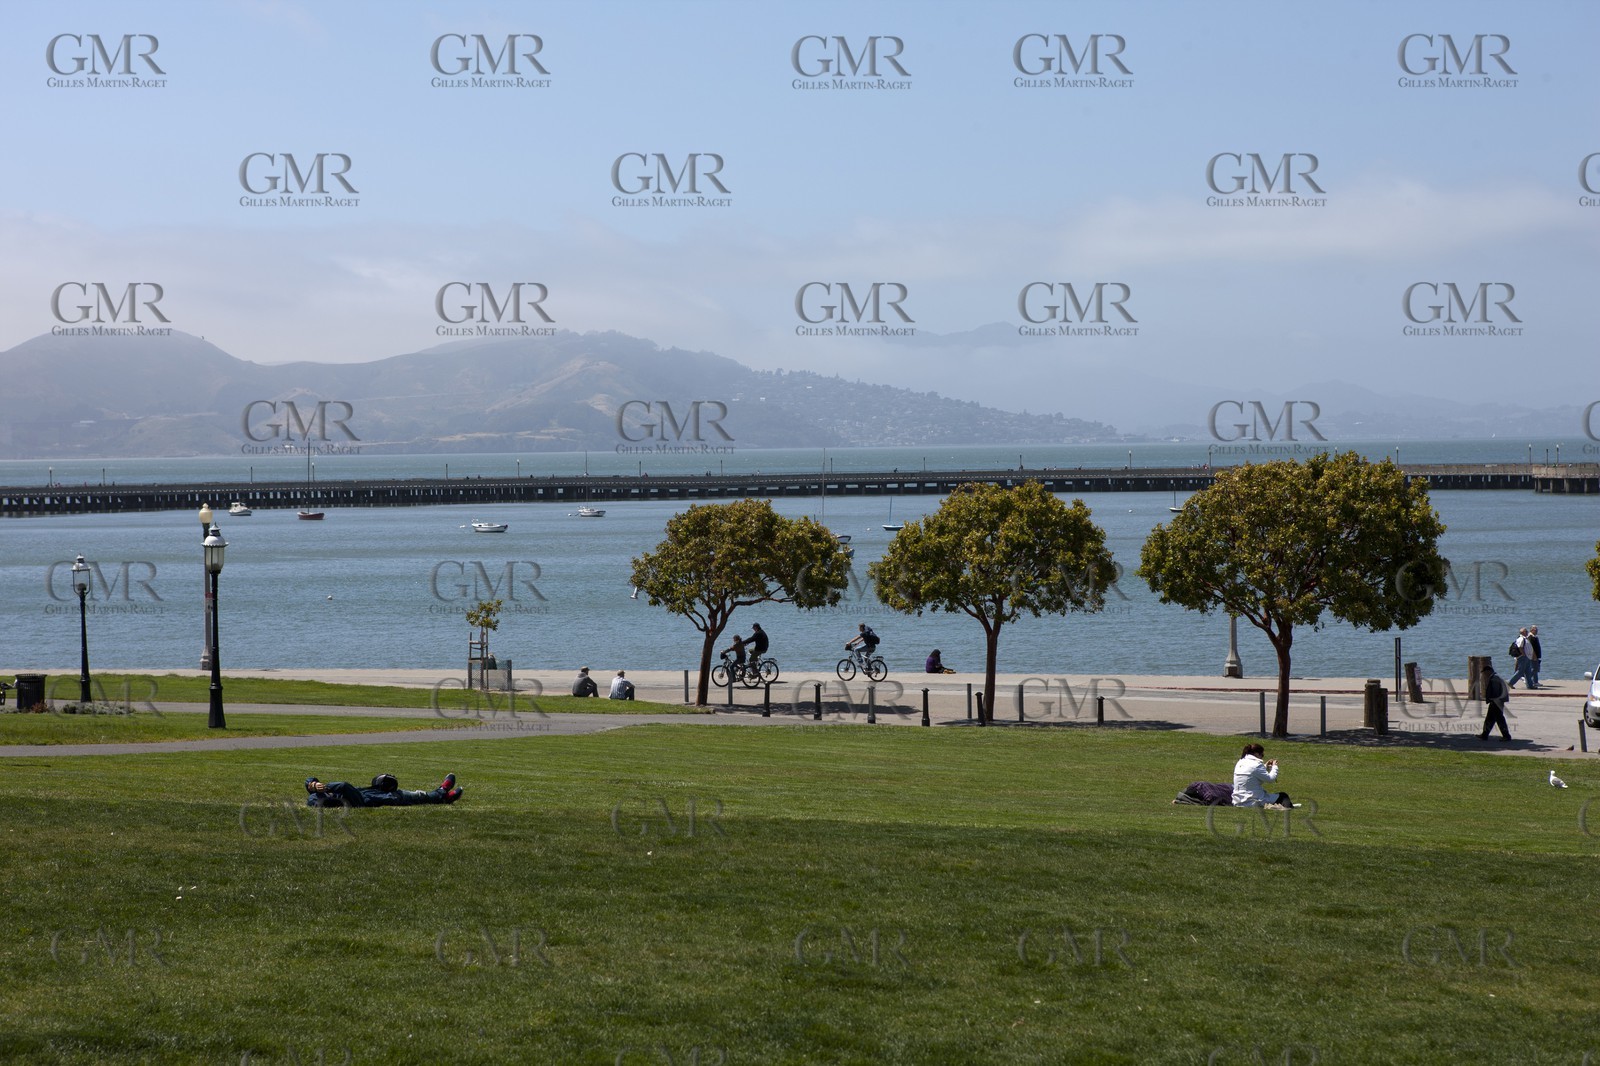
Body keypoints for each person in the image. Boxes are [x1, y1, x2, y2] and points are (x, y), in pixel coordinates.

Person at [305, 772, 462, 808]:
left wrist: (312, 784)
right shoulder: (318, 799)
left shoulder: (316, 789)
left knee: (409, 792)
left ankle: (443, 795)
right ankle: (441, 793)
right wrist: (327, 787)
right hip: (365, 800)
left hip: (367, 793)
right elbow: (344, 786)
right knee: (411, 797)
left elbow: (308, 779)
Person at [1232, 743, 1293, 809]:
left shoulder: (1240, 762)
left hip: (1237, 801)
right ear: (1256, 754)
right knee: (1283, 796)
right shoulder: (1257, 764)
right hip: (1253, 801)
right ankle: (1285, 807)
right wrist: (1275, 767)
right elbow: (1270, 779)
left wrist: (1265, 766)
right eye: (1262, 754)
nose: (1262, 756)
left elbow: (1253, 773)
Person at [1480, 658, 1513, 742]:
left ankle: (1506, 736)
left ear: (1488, 671)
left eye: (1484, 673)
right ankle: (1484, 735)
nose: (1484, 675)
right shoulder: (1495, 677)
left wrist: (1493, 700)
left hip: (1496, 702)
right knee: (1490, 719)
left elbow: (1496, 692)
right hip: (1497, 701)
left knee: (1499, 719)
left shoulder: (1494, 679)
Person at [1528, 625, 1543, 689]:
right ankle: (1528, 679)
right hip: (1533, 656)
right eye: (1535, 630)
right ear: (1531, 630)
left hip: (1536, 655)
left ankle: (1535, 681)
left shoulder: (1535, 637)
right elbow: (1531, 648)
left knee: (1535, 669)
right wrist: (1534, 656)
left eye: (1537, 630)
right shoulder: (1530, 637)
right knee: (1534, 669)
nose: (1536, 631)